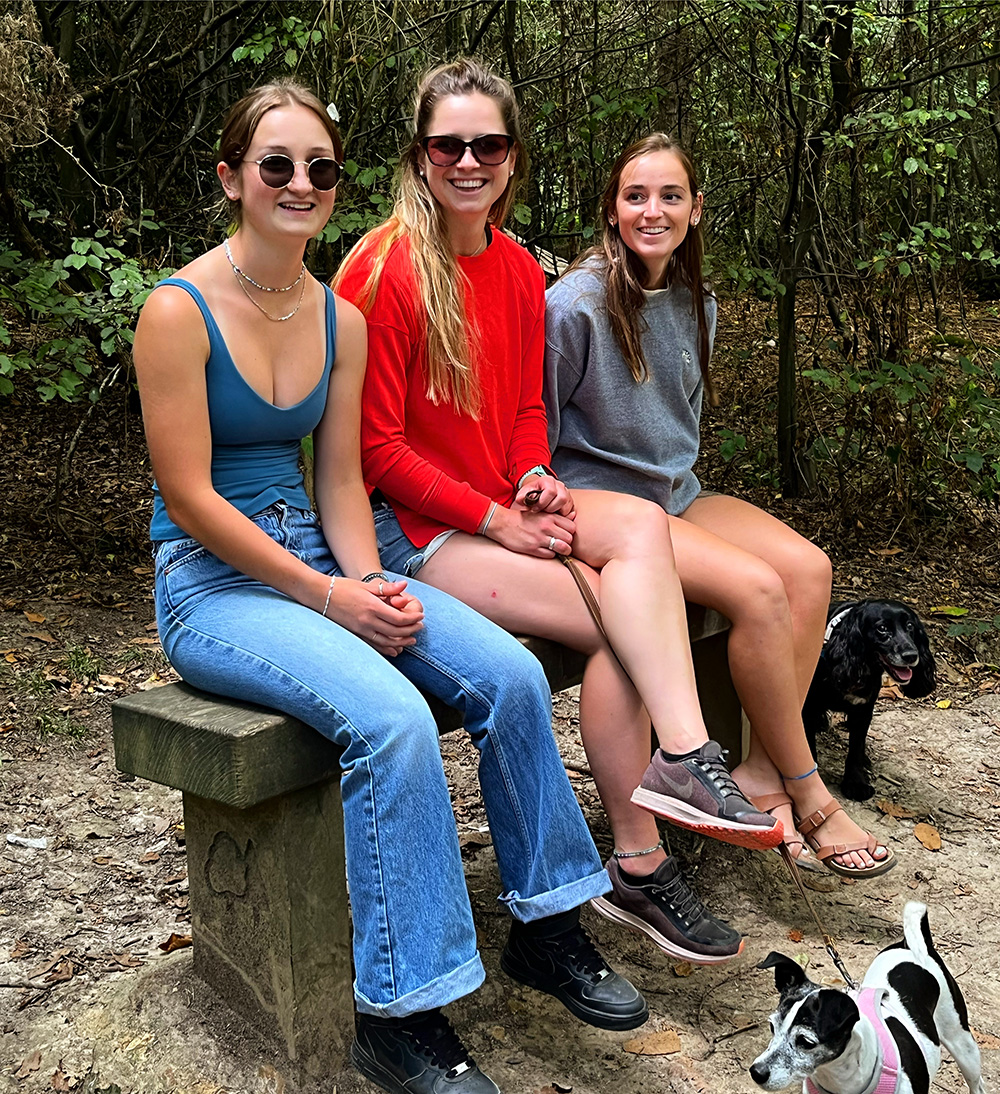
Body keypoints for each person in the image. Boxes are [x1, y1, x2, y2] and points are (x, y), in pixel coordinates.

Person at [133, 80, 649, 1094]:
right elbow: (191, 498)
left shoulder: (335, 317)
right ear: (232, 177)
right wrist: (330, 600)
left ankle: (546, 927)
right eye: (275, 165)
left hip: (324, 558)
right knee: (393, 721)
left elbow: (338, 480)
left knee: (502, 672)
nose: (299, 184)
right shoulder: (176, 310)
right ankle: (400, 1009)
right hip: (215, 587)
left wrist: (368, 580)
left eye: (319, 168)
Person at [336, 56, 789, 975]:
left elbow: (522, 411)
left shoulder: (511, 269)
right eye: (448, 144)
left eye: (488, 144)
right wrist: (497, 520)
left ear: (513, 157)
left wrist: (536, 473)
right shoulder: (381, 270)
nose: (469, 161)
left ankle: (687, 755)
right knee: (619, 620)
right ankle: (638, 858)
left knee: (643, 534)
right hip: (416, 533)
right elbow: (375, 452)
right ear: (420, 157)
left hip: (500, 507)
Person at [543, 132, 896, 880]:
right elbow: (532, 430)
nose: (652, 210)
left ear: (696, 209)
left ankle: (766, 772)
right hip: (606, 508)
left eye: (670, 196)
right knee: (758, 591)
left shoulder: (697, 301)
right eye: (635, 195)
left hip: (676, 493)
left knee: (806, 569)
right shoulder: (571, 305)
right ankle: (812, 791)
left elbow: (679, 433)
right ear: (612, 208)